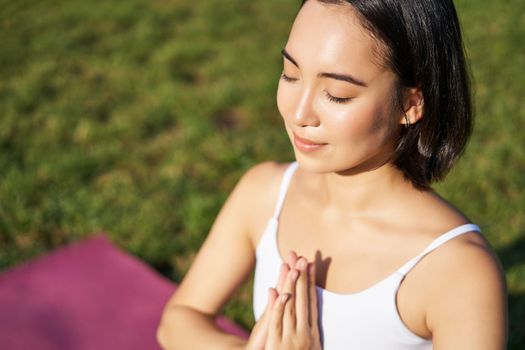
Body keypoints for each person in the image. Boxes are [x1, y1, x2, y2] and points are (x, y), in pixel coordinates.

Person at [157, 0, 508, 349]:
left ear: (412, 104)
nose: (299, 112)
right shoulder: (264, 193)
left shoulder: (457, 271)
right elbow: (179, 320)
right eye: (290, 74)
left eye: (337, 95)